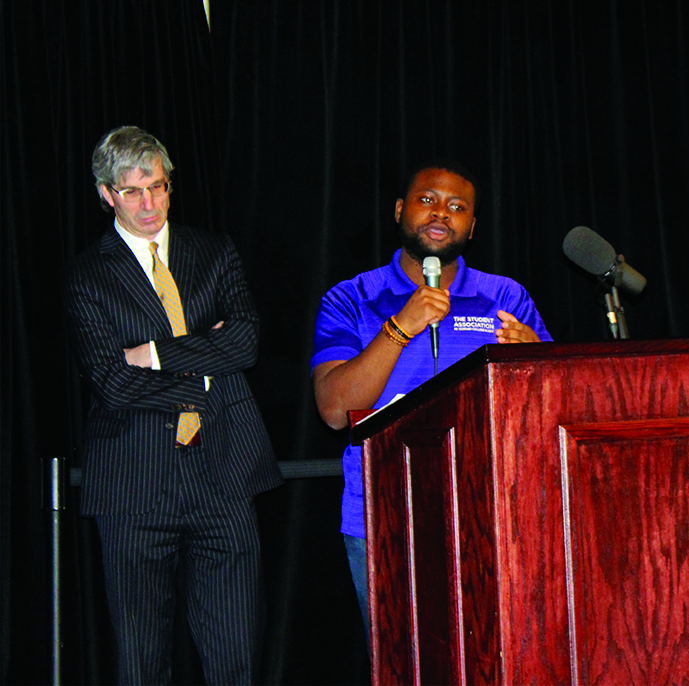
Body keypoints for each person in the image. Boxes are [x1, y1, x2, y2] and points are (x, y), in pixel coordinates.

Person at [63, 126, 283, 685]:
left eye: (158, 188)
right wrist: (206, 376)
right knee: (141, 661)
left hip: (224, 474)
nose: (149, 204)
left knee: (236, 656)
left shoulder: (213, 250)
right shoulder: (88, 274)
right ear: (106, 193)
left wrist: (156, 353)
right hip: (134, 480)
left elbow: (247, 341)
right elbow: (111, 383)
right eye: (132, 192)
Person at [311, 162, 552, 635]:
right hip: (385, 514)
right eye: (427, 200)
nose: (441, 213)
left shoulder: (506, 296)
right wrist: (401, 327)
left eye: (458, 207)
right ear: (400, 210)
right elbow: (334, 410)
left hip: (497, 511)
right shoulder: (351, 297)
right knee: (404, 658)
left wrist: (535, 362)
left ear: (473, 226)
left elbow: (551, 409)